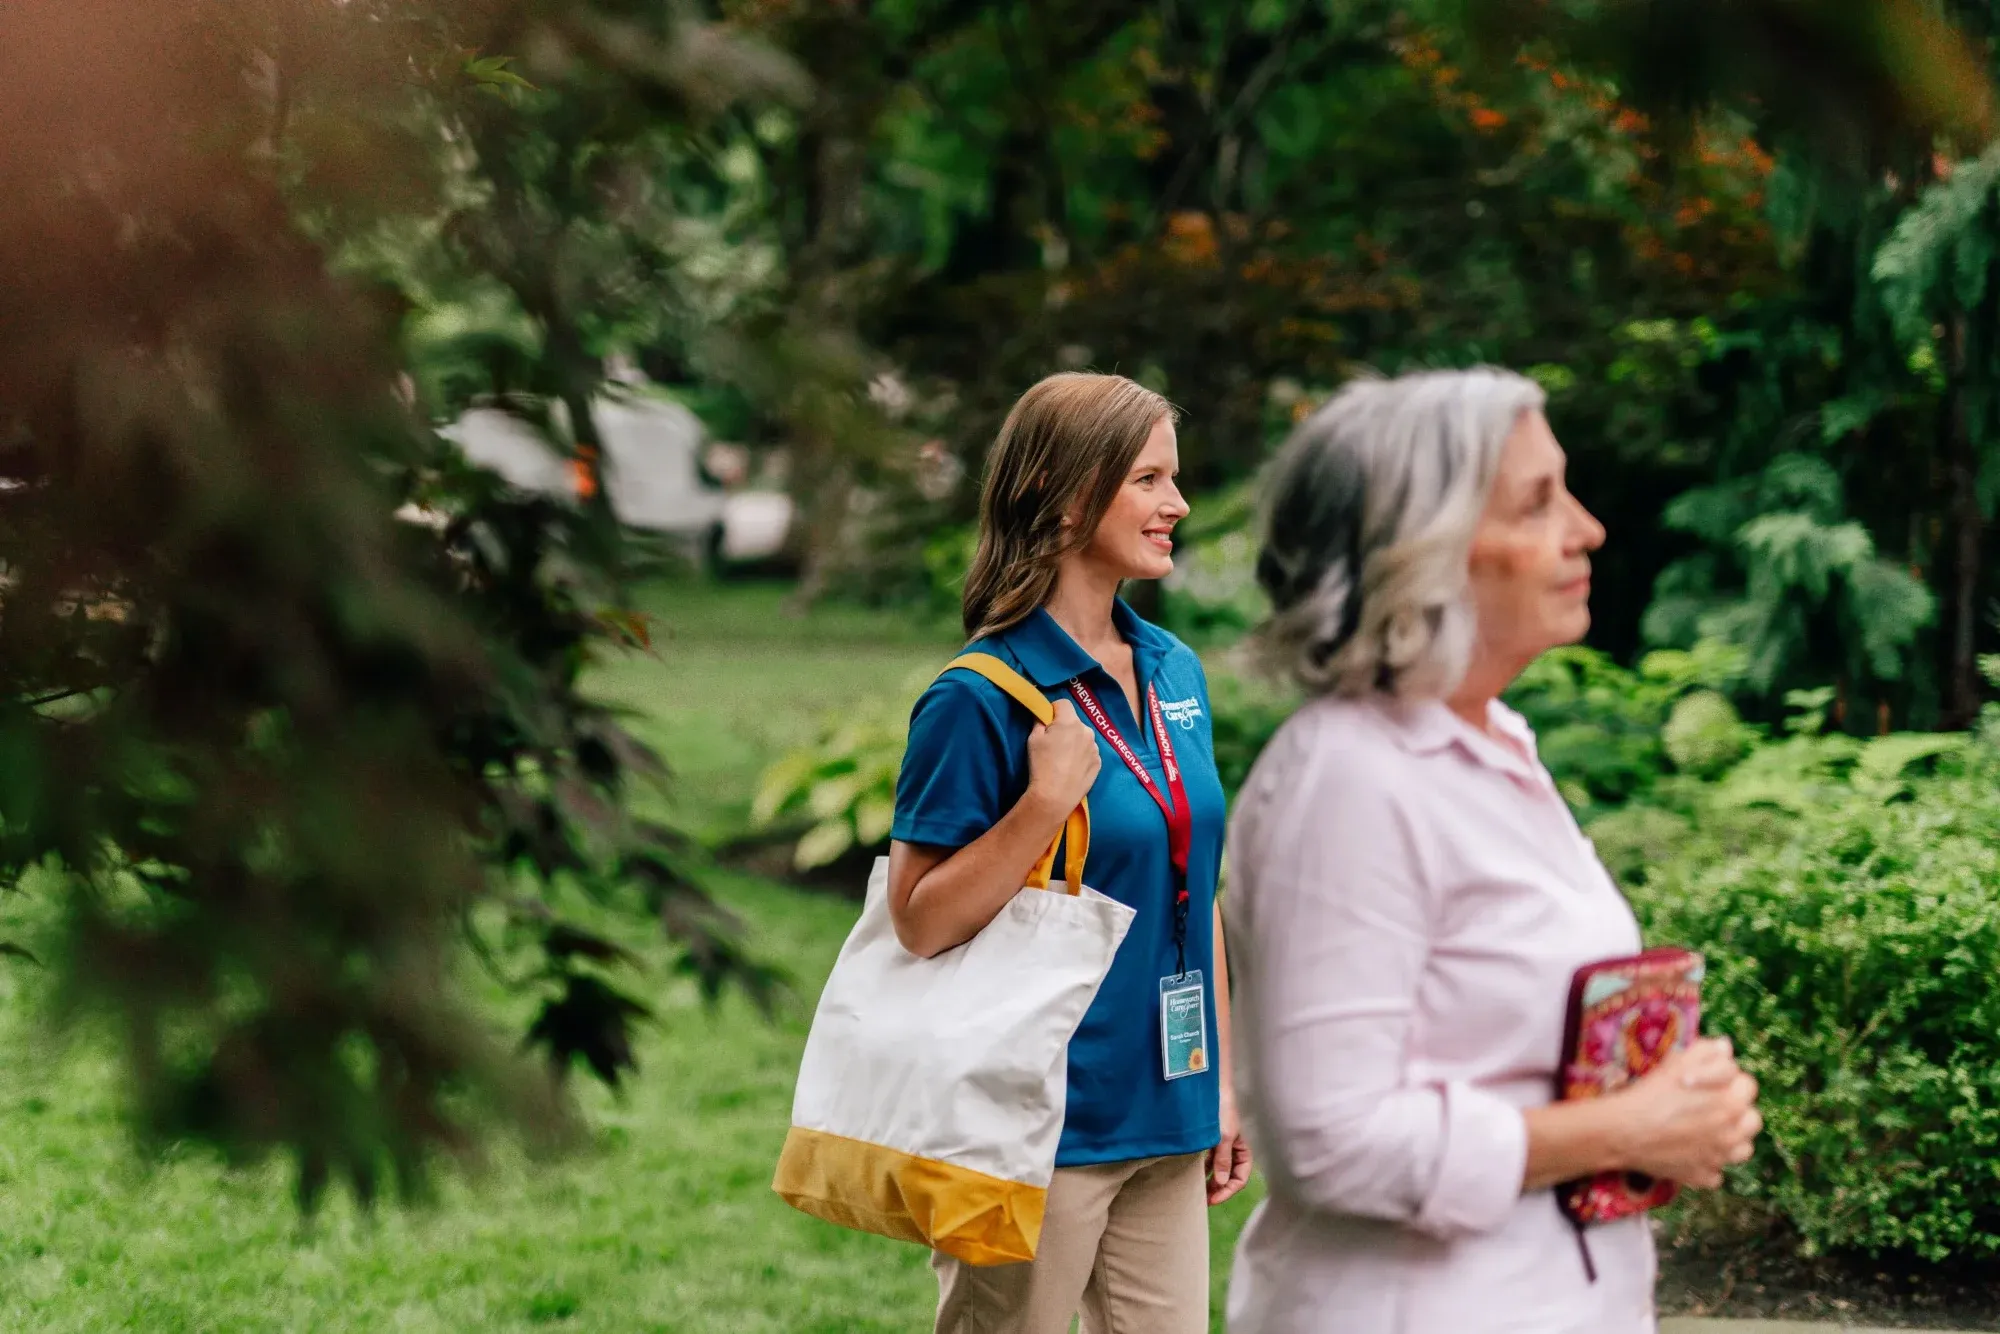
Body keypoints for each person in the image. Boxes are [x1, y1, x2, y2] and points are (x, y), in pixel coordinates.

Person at [1222, 369, 1762, 1333]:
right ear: (1418, 551)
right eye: (1537, 502)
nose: (1587, 529)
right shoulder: (1350, 778)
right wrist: (1624, 1128)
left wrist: (1674, 1105)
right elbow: (1329, 1141)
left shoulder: (1492, 742)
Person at [888, 371, 1252, 1334]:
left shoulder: (1174, 670)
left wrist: (1218, 1083)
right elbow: (918, 922)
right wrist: (1043, 804)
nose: (1176, 504)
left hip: (1168, 1115)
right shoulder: (978, 697)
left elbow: (1193, 884)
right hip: (1033, 1128)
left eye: (1173, 479)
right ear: (1062, 491)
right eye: (1147, 479)